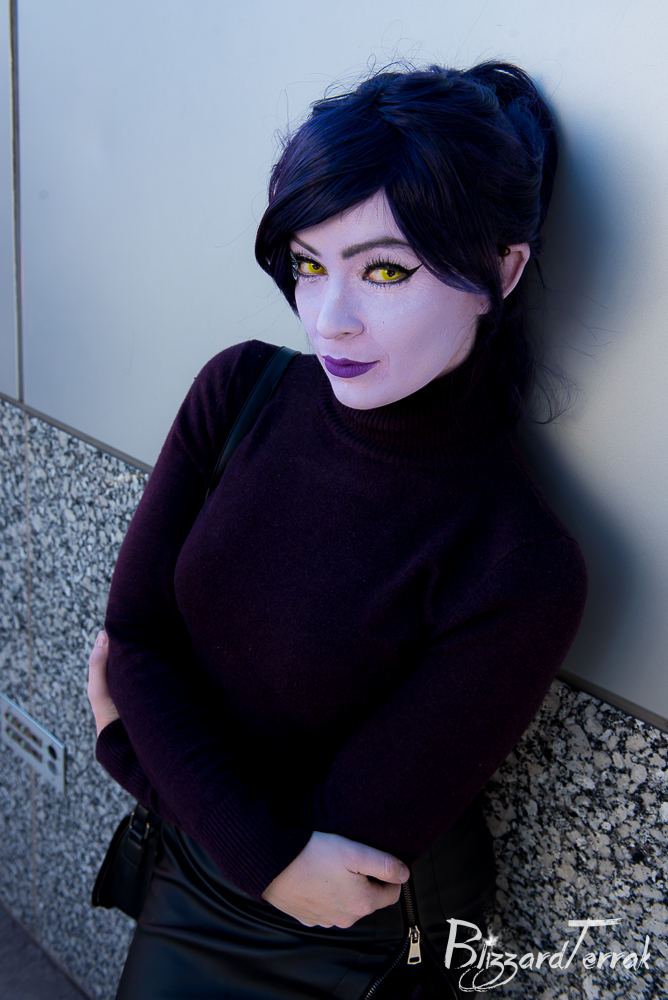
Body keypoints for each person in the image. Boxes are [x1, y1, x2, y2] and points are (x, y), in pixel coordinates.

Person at [88, 61, 587, 999]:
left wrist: (128, 748)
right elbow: (138, 639)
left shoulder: (516, 562)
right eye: (309, 265)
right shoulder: (240, 390)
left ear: (503, 271)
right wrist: (268, 852)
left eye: (384, 270)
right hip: (192, 885)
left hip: (348, 955)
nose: (329, 319)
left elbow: (339, 876)